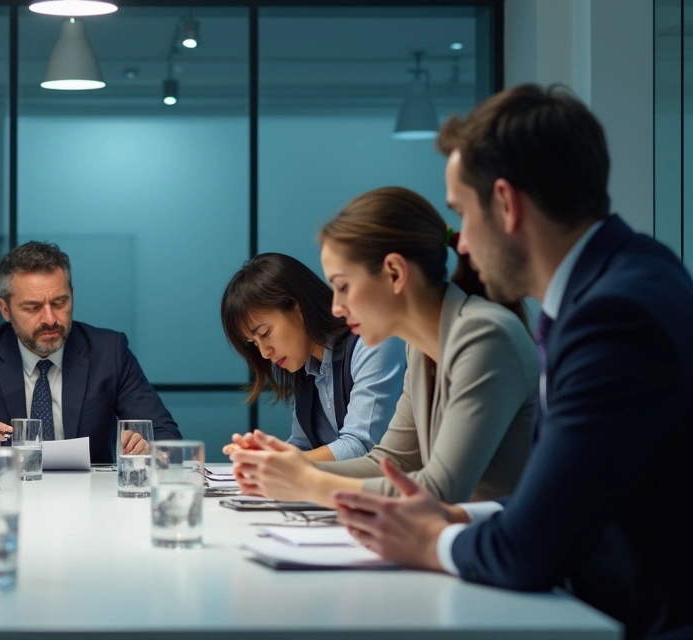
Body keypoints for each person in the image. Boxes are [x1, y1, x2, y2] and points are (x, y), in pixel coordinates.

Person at [329, 85, 693, 640]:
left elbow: (532, 549)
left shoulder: (614, 319)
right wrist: (457, 518)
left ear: (505, 203)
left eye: (462, 215)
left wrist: (431, 540)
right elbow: (558, 503)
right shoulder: (628, 276)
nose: (462, 245)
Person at [230, 186, 537, 507]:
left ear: (394, 273)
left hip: (504, 549)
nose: (336, 308)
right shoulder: (421, 349)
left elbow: (441, 489)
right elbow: (390, 462)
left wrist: (306, 480)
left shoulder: (482, 336)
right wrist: (292, 467)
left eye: (343, 286)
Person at [0, 241, 182, 465]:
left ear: (72, 295)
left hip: (92, 500)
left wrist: (147, 446)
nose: (50, 319)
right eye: (32, 307)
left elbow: (167, 436)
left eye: (60, 302)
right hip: (8, 497)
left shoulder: (109, 352)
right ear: (5, 309)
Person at [220, 253, 406, 462]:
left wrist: (280, 464)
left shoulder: (371, 341)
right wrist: (265, 455)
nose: (264, 353)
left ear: (297, 306)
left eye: (265, 334)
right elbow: (303, 444)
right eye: (254, 343)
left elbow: (362, 446)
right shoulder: (305, 365)